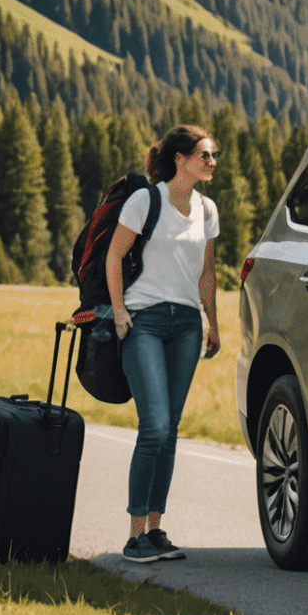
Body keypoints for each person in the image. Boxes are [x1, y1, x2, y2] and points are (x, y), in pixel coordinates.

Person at [105, 124, 221, 564]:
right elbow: (114, 256)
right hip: (145, 322)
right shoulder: (145, 200)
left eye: (213, 156)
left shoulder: (207, 209)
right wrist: (119, 312)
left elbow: (207, 272)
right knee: (153, 426)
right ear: (180, 159)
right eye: (205, 155)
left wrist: (213, 322)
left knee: (170, 429)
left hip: (187, 325)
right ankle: (134, 535)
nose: (212, 163)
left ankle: (155, 531)